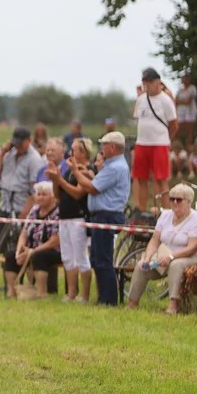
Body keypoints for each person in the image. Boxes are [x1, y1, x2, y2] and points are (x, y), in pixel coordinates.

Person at [127, 183, 197, 314]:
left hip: (192, 257)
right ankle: (132, 303)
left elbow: (193, 247)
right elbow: (154, 240)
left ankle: (173, 306)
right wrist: (148, 257)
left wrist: (171, 257)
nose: (174, 202)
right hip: (165, 256)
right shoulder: (165, 216)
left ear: (188, 201)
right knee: (141, 265)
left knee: (176, 265)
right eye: (172, 199)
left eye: (179, 199)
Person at [70, 131, 130, 306]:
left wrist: (75, 171)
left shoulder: (114, 167)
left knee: (103, 260)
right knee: (98, 258)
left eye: (104, 144)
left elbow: (92, 188)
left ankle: (109, 300)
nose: (101, 148)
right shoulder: (115, 165)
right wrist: (88, 175)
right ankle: (103, 297)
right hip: (103, 215)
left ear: (112, 147)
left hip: (107, 215)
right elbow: (98, 183)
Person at [46, 137, 94, 302]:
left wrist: (60, 180)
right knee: (67, 256)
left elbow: (78, 192)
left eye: (73, 150)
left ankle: (85, 295)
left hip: (78, 218)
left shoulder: (86, 170)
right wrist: (55, 179)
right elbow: (58, 195)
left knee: (81, 256)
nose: (70, 153)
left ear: (83, 152)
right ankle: (71, 292)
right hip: (65, 217)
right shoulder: (68, 170)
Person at [3, 181, 61, 299]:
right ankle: (11, 292)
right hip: (29, 249)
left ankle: (41, 292)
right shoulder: (34, 210)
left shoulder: (57, 213)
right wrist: (20, 249)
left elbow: (55, 240)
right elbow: (24, 233)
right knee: (10, 255)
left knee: (39, 256)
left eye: (44, 194)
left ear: (52, 196)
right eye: (38, 194)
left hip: (53, 250)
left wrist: (32, 251)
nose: (40, 197)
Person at [132, 67, 178, 210]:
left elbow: (173, 124)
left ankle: (163, 210)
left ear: (158, 82)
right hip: (142, 142)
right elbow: (137, 118)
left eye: (150, 82)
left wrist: (166, 138)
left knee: (161, 179)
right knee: (141, 178)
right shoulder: (141, 100)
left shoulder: (165, 100)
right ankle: (142, 208)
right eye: (146, 82)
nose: (148, 86)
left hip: (159, 143)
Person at [0, 127, 43, 221]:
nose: (17, 146)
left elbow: (34, 189)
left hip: (21, 209)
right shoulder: (8, 153)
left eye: (20, 143)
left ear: (29, 141)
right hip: (5, 207)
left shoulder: (35, 159)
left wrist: (25, 212)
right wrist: (2, 153)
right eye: (15, 143)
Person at [175, 74, 197, 146]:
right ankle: (177, 147)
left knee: (188, 132)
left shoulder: (192, 88)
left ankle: (188, 146)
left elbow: (188, 101)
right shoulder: (180, 89)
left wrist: (180, 101)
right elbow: (176, 100)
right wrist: (183, 101)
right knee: (177, 130)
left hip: (189, 111)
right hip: (180, 112)